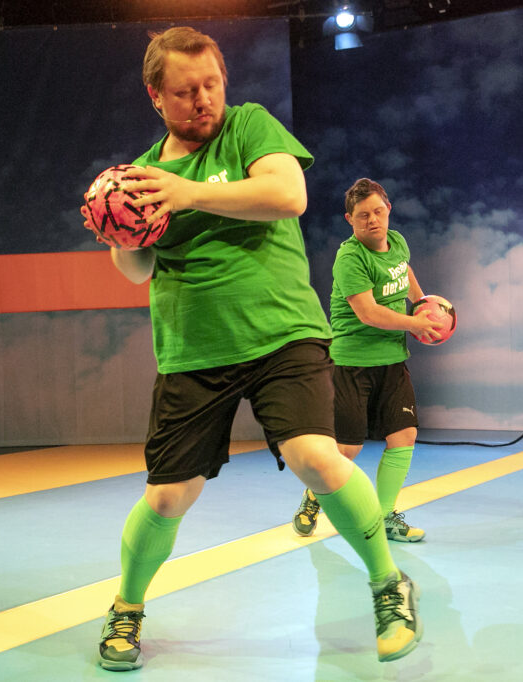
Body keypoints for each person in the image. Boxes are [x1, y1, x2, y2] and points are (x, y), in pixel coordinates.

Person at [85, 27, 422, 670]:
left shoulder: (249, 128)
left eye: (211, 83)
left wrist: (189, 193)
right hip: (192, 346)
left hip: (281, 332)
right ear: (156, 96)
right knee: (166, 497)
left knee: (317, 459)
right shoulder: (143, 174)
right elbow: (136, 271)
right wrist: (120, 232)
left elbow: (287, 194)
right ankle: (126, 609)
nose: (204, 99)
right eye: (186, 92)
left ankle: (388, 584)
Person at [291, 178, 445, 544]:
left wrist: (425, 306)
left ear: (388, 209)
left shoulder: (398, 242)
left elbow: (403, 272)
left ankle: (386, 515)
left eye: (378, 211)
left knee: (404, 436)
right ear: (350, 219)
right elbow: (368, 313)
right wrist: (415, 323)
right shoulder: (350, 258)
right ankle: (314, 495)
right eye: (363, 216)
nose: (372, 220)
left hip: (392, 360)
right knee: (347, 450)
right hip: (351, 364)